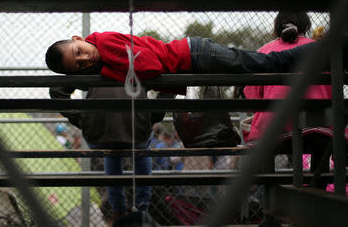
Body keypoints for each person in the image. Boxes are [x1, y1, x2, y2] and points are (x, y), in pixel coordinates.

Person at [45, 31, 346, 94]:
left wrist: (109, 71)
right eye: (80, 65)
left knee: (268, 64)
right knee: (266, 66)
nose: (86, 59)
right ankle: (329, 57)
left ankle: (331, 48)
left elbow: (151, 67)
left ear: (78, 37)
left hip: (197, 54)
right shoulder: (104, 51)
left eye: (79, 51)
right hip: (196, 56)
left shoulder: (107, 46)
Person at [243, 11, 347, 186]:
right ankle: (317, 190)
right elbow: (332, 94)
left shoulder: (265, 51)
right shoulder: (319, 49)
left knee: (266, 124)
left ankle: (273, 193)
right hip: (315, 129)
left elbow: (252, 96)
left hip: (273, 130)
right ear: (305, 26)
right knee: (322, 131)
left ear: (277, 27)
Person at [50, 86, 165, 225]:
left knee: (111, 153)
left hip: (99, 134)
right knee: (141, 151)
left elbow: (57, 90)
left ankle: (118, 210)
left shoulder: (90, 65)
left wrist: (82, 120)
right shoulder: (138, 65)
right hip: (136, 131)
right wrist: (152, 116)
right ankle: (141, 209)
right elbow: (169, 85)